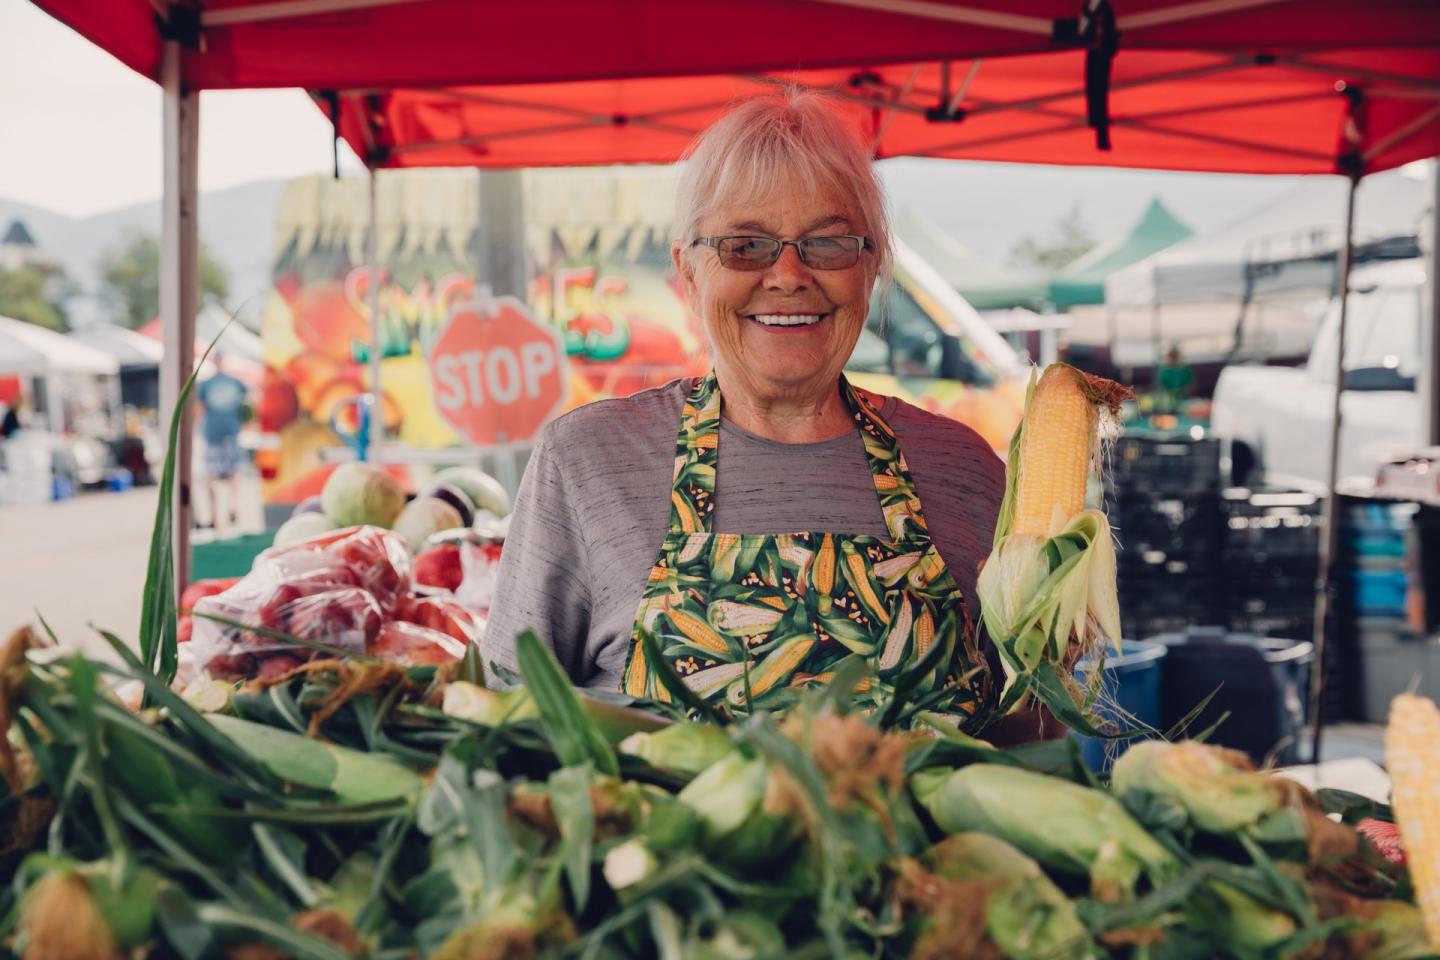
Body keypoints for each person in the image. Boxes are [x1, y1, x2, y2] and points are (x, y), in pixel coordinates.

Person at [484, 90, 1030, 736]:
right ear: (688, 270)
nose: (789, 274)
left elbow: (1024, 729)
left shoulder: (963, 469)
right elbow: (507, 728)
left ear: (871, 265)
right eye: (746, 245)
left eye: (827, 244)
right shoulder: (589, 461)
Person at [196, 355, 249, 532]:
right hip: (219, 433)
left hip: (223, 433)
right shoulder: (221, 383)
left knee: (225, 475)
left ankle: (230, 508)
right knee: (218, 476)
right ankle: (219, 513)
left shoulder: (216, 383)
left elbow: (199, 408)